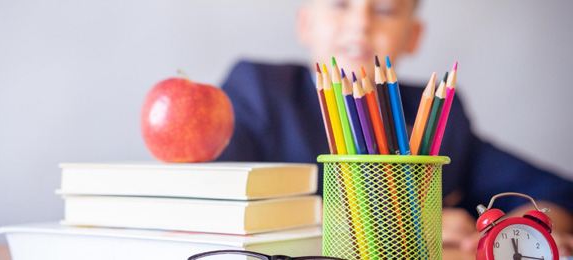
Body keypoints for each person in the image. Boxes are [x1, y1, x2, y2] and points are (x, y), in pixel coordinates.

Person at [216, 0, 573, 256]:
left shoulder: (435, 114)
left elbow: (557, 192)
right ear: (305, 23)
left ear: (413, 35)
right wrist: (410, 226)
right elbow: (216, 198)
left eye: (385, 9)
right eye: (340, 4)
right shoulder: (258, 88)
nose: (361, 22)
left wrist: (524, 230)